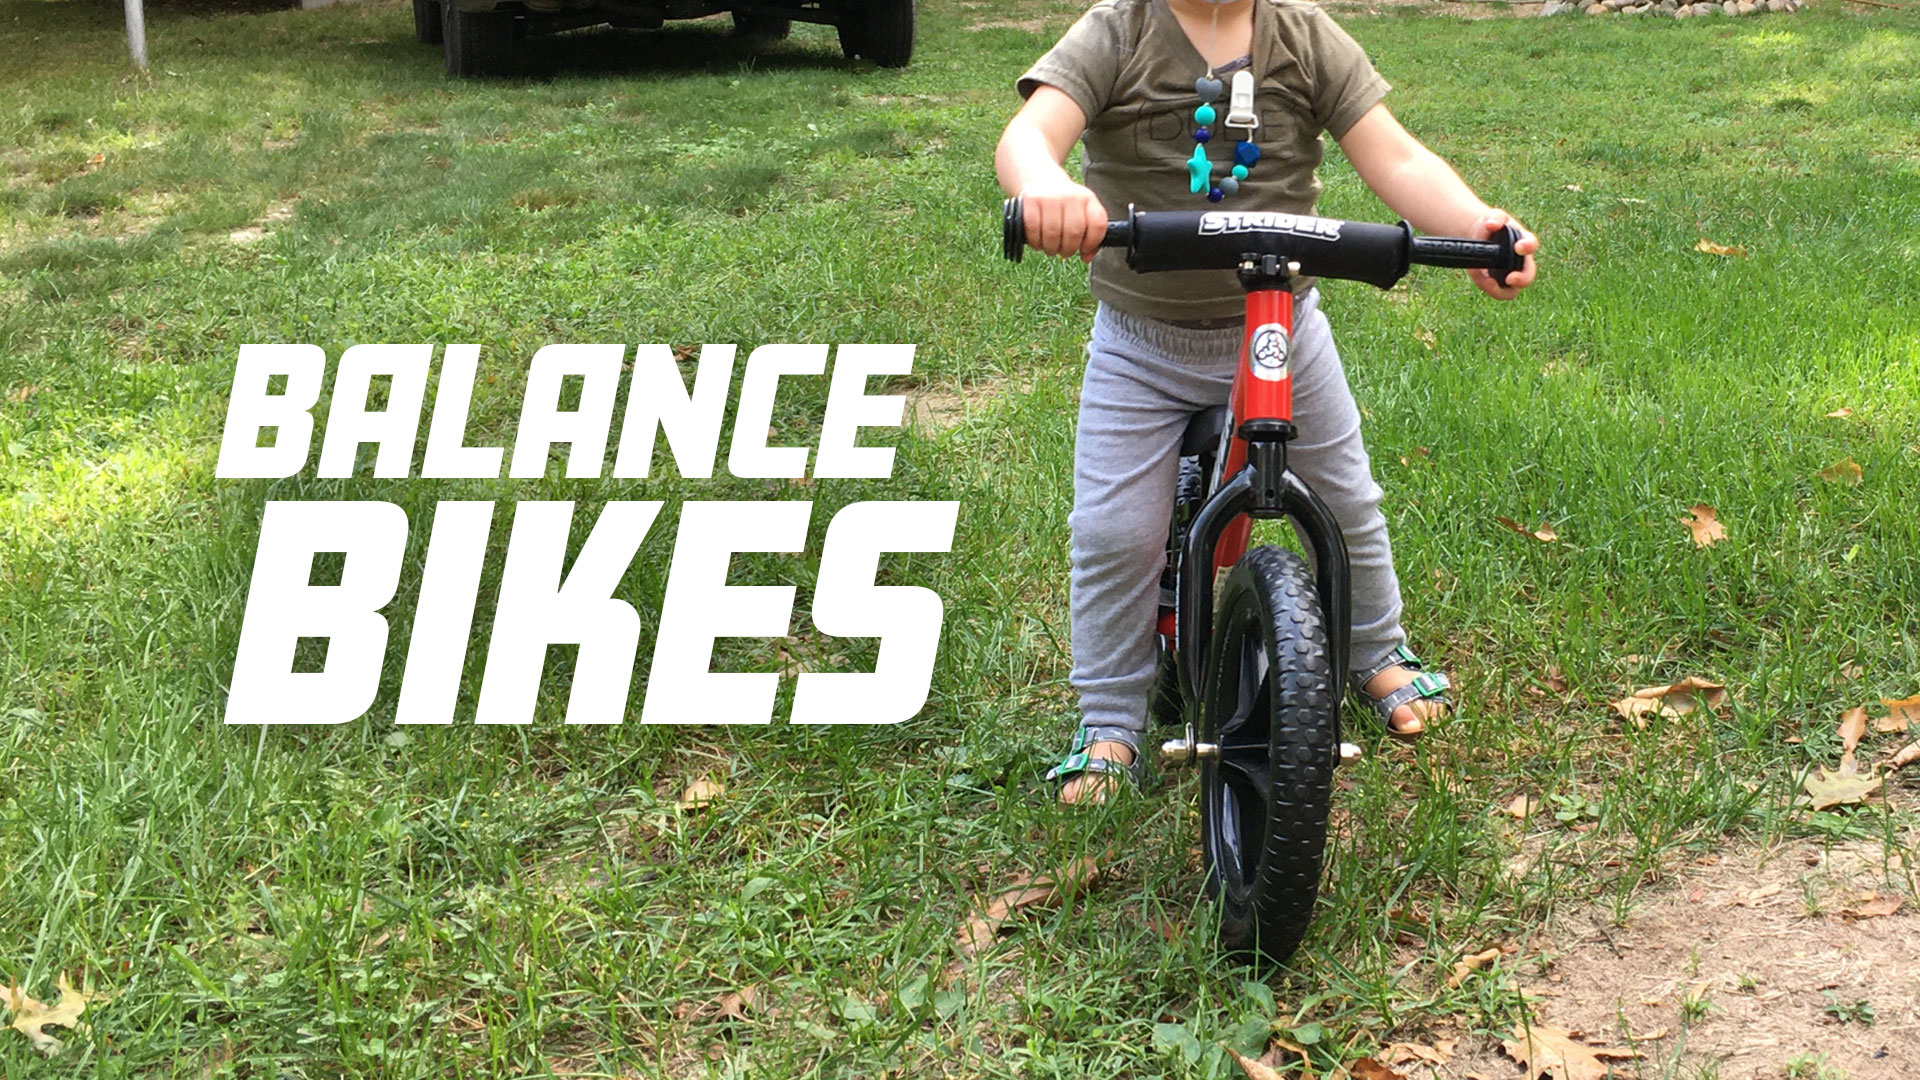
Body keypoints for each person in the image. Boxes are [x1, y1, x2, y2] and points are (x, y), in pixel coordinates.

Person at [995, 0, 1539, 804]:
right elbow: (1030, 135)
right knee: (1115, 531)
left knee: (1345, 496)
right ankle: (1110, 719)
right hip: (1142, 340)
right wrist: (1046, 184)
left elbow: (1395, 158)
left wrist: (1472, 228)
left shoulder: (1305, 34)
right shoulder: (1118, 31)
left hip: (1281, 320)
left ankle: (1376, 649)